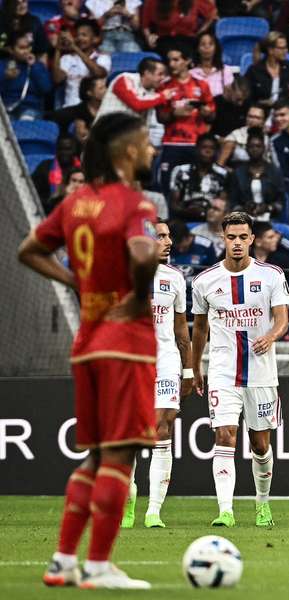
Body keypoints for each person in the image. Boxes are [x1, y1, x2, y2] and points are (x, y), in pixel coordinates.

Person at [18, 112, 159, 589]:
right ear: (126, 153)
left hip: (89, 342)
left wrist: (74, 280)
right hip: (128, 346)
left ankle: (62, 561)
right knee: (121, 457)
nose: (152, 151)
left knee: (95, 458)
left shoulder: (76, 203)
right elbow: (143, 254)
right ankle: (98, 565)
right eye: (145, 143)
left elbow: (28, 250)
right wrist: (140, 299)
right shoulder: (133, 203)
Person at [190, 211, 289, 528]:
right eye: (230, 237)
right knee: (224, 435)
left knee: (261, 444)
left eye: (242, 237)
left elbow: (282, 318)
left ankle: (262, 505)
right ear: (223, 238)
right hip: (223, 371)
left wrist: (271, 336)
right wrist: (195, 368)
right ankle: (225, 510)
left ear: (251, 239)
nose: (236, 243)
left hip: (261, 372)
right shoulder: (204, 281)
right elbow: (199, 330)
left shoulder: (272, 275)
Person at [120, 221, 191, 530]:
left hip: (165, 360)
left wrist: (188, 369)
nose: (168, 241)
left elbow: (180, 329)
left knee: (162, 428)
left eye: (168, 236)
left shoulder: (175, 279)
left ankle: (154, 511)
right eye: (160, 236)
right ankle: (129, 500)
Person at [156, 44, 216, 194]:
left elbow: (212, 117)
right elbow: (160, 117)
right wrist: (174, 114)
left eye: (176, 60)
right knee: (167, 187)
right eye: (169, 60)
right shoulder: (164, 87)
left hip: (195, 143)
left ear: (187, 61)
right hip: (172, 143)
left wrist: (206, 113)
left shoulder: (201, 85)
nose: (171, 64)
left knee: (195, 188)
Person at [252, 222, 289, 334]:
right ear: (258, 242)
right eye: (270, 237)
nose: (276, 239)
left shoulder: (282, 261)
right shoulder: (243, 259)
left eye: (275, 235)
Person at [96, 57, 173, 129]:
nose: (163, 78)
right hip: (106, 131)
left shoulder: (154, 90)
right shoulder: (125, 79)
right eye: (160, 74)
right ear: (147, 73)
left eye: (164, 75)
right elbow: (137, 104)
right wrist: (162, 97)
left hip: (128, 135)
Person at [169, 133, 231, 220]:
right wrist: (187, 211)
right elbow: (174, 204)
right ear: (196, 149)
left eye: (212, 148)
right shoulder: (181, 171)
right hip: (184, 219)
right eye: (204, 147)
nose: (208, 151)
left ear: (217, 151)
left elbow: (222, 204)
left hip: (212, 220)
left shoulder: (223, 174)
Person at [229, 127, 286, 222]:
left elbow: (281, 201)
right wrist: (243, 209)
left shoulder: (274, 171)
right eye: (251, 146)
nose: (254, 149)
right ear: (246, 148)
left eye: (258, 146)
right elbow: (233, 201)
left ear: (264, 148)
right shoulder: (238, 173)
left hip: (271, 218)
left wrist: (268, 207)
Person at [51, 18, 110, 108]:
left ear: (95, 39)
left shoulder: (102, 58)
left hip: (93, 109)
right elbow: (57, 79)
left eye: (84, 35)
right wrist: (58, 49)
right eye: (77, 35)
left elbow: (98, 73)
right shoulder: (67, 58)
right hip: (70, 108)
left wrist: (75, 48)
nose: (79, 38)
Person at [1, 31, 52, 120]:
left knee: (25, 122)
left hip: (31, 108)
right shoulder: (2, 65)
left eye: (28, 47)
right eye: (21, 48)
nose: (26, 51)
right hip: (5, 108)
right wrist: (5, 77)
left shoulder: (38, 65)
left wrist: (34, 66)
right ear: (11, 50)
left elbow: (46, 88)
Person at [141, 0, 218, 56]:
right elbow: (145, 25)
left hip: (188, 41)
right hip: (164, 40)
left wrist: (200, 32)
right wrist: (149, 37)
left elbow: (211, 13)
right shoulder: (152, 1)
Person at [247, 32, 289, 107]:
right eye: (282, 48)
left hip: (286, 112)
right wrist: (260, 103)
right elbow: (247, 97)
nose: (286, 51)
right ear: (270, 50)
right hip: (261, 112)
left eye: (286, 47)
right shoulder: (254, 71)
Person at [48, 75, 106, 145]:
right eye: (101, 88)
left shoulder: (109, 109)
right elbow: (83, 138)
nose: (106, 90)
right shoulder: (78, 112)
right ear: (89, 93)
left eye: (105, 87)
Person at [32, 134, 81, 207]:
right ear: (56, 150)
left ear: (74, 150)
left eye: (68, 149)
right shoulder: (44, 167)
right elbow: (32, 192)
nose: (64, 153)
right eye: (61, 149)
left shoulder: (83, 170)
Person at [218, 103, 268, 167]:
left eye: (257, 118)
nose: (252, 120)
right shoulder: (235, 135)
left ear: (263, 121)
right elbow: (221, 163)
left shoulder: (267, 138)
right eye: (250, 116)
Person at [190, 31, 233, 98]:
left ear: (216, 48)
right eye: (203, 44)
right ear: (197, 49)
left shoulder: (225, 71)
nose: (207, 47)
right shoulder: (191, 74)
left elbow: (230, 97)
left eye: (211, 44)